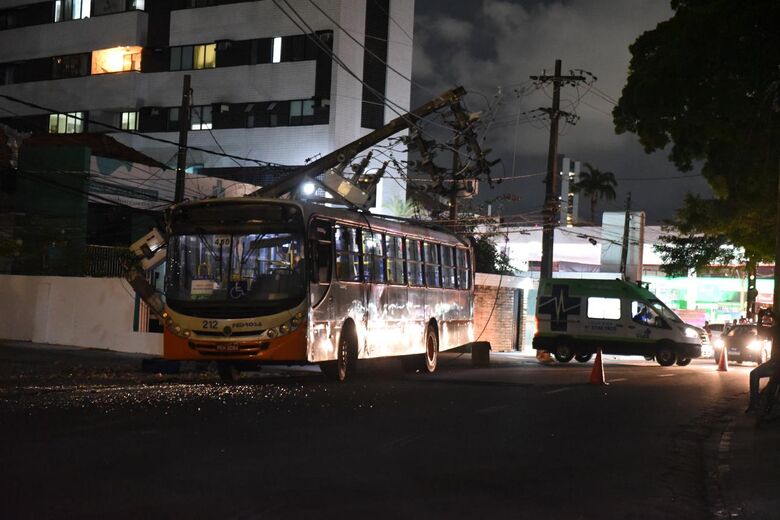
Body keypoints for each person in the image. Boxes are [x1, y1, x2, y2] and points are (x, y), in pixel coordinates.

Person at [746, 308, 780, 413]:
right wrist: (773, 315)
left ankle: (754, 405)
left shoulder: (777, 329)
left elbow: (761, 331)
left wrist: (760, 318)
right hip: (775, 364)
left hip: (775, 364)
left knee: (754, 374)